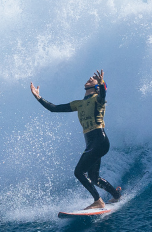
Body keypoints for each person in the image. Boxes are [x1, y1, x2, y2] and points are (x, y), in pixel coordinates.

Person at [30, 70, 122, 210]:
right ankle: (115, 195)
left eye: (93, 79)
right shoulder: (78, 104)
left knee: (79, 172)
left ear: (97, 87)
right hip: (91, 143)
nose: (90, 77)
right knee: (93, 177)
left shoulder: (98, 99)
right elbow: (54, 108)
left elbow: (103, 94)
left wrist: (102, 83)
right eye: (91, 77)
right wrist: (38, 97)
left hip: (99, 140)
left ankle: (98, 201)